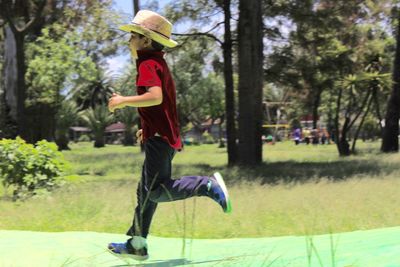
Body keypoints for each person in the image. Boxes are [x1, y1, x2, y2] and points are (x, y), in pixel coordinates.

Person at [106, 10, 232, 261]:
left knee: (154, 192)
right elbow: (160, 106)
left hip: (160, 139)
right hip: (160, 135)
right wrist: (148, 125)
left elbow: (155, 97)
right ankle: (137, 244)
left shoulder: (147, 63)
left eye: (133, 35)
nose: (129, 40)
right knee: (145, 191)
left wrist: (122, 101)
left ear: (146, 40)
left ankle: (206, 185)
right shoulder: (155, 62)